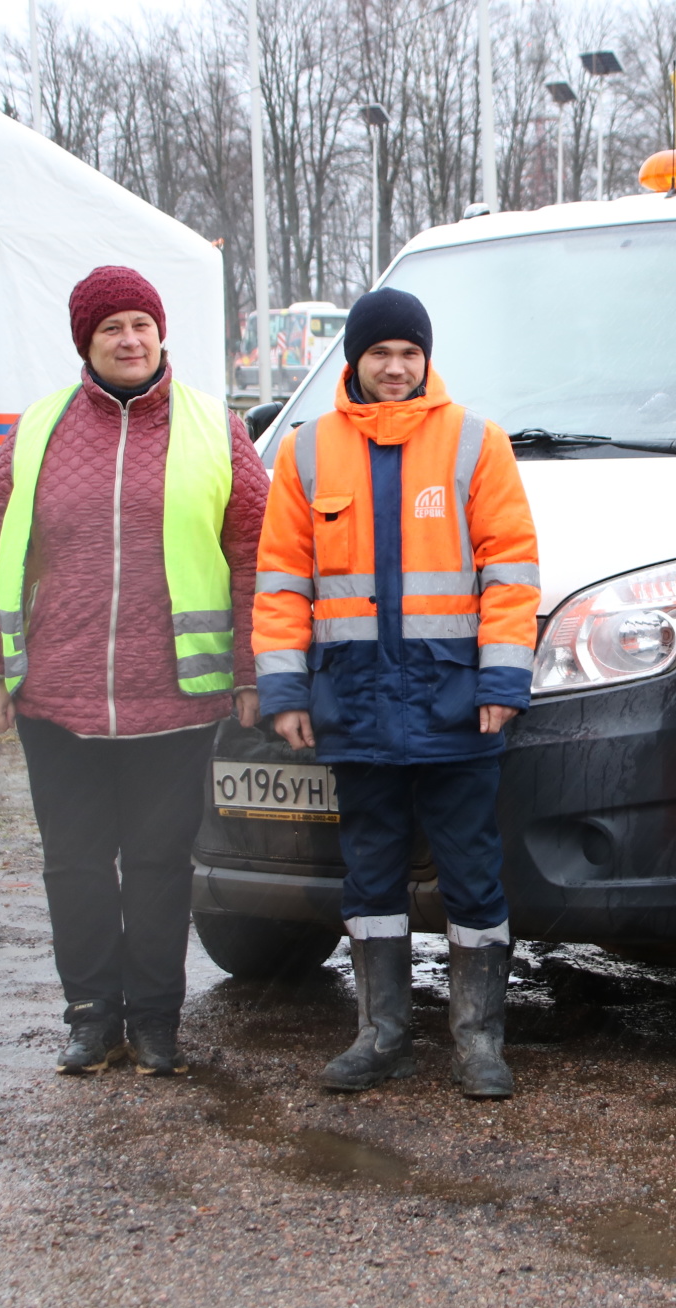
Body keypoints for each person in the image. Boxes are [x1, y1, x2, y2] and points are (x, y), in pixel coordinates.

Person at [0, 265, 267, 1078]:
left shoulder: (216, 427)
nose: (130, 341)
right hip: (57, 698)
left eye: (141, 324)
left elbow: (256, 557)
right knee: (76, 862)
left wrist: (253, 672)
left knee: (163, 864)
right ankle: (92, 1016)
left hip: (176, 698)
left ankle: (157, 1020)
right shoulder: (37, 432)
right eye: (110, 330)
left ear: (162, 332)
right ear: (85, 345)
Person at [252, 288, 539, 1100]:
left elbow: (511, 570)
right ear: (355, 358)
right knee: (369, 877)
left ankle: (478, 1041)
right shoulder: (307, 452)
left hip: (456, 701)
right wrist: (285, 690)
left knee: (472, 876)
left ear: (426, 358)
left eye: (408, 352)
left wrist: (502, 679)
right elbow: (280, 582)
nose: (394, 366)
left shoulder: (476, 442)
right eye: (380, 352)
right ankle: (382, 1035)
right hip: (355, 704)